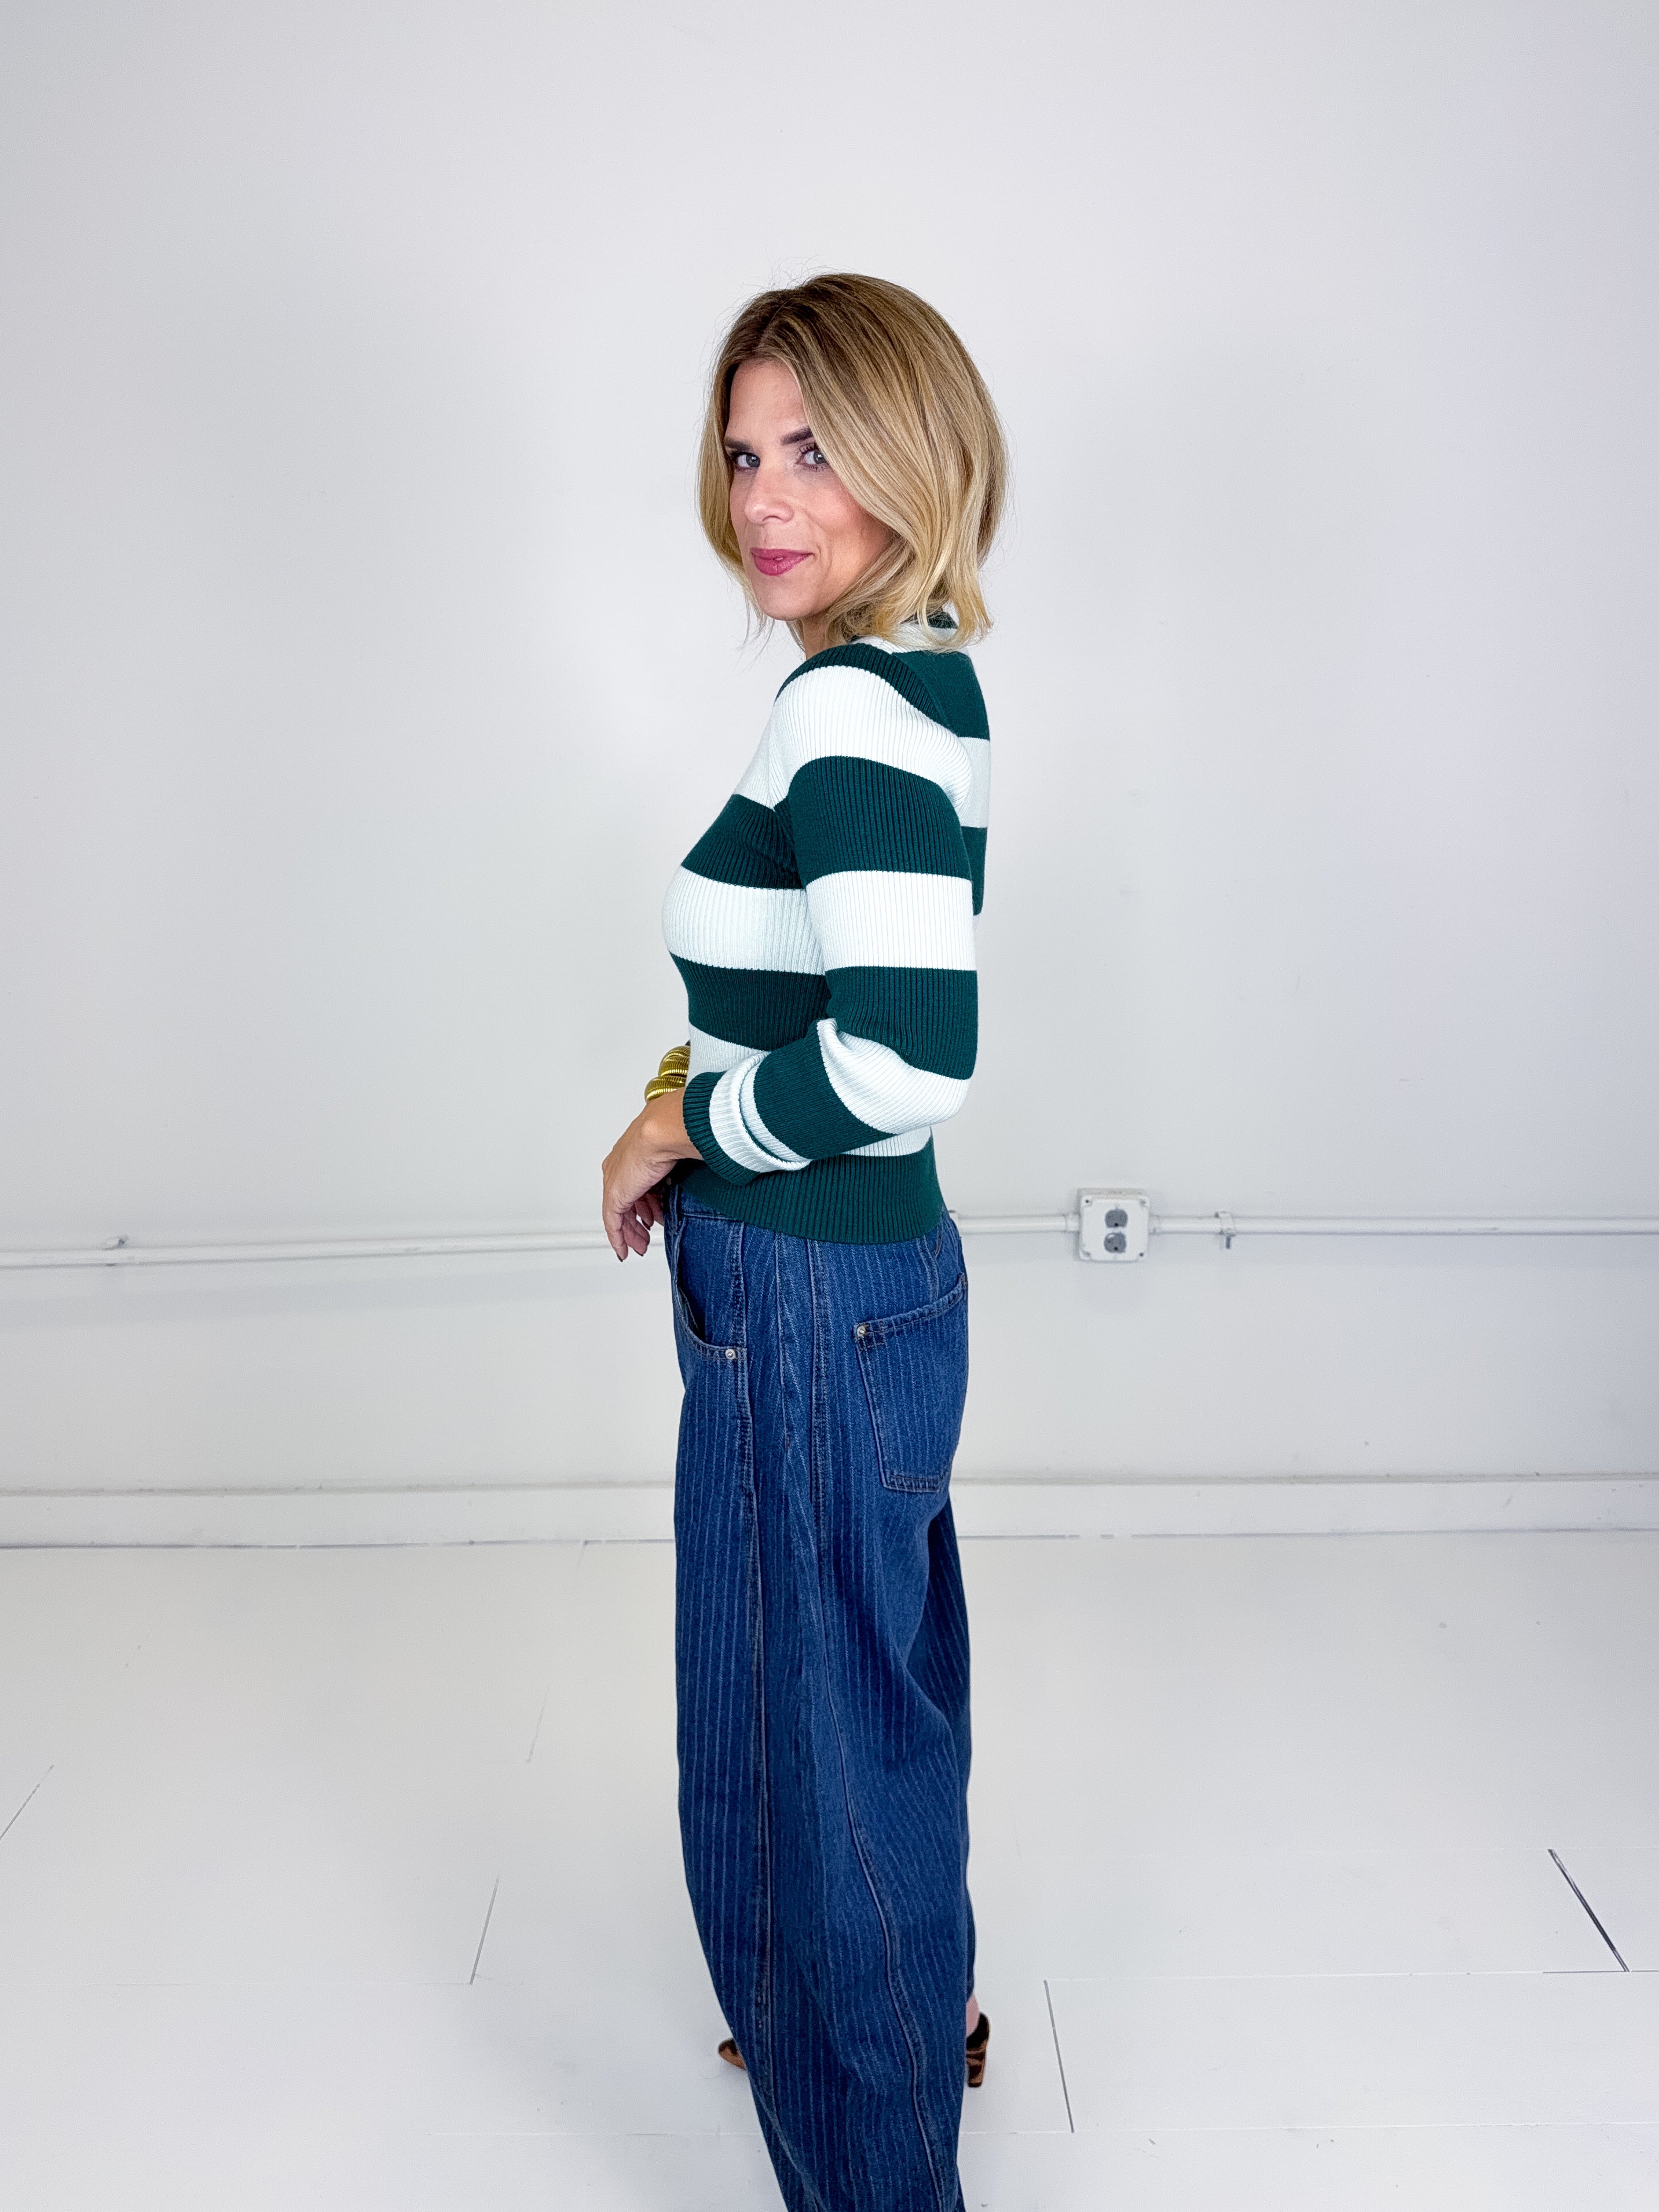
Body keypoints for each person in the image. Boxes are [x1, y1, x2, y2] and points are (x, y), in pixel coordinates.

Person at [600, 272, 1005, 2212]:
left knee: (796, 1749)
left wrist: (682, 1126)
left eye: (816, 447)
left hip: (800, 1288)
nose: (764, 496)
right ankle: (908, 2024)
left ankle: (873, 2158)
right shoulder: (919, 674)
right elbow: (792, 983)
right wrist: (680, 1083)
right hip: (873, 1288)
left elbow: (907, 1054)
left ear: (915, 452)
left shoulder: (844, 705)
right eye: (745, 450)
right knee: (872, 1702)